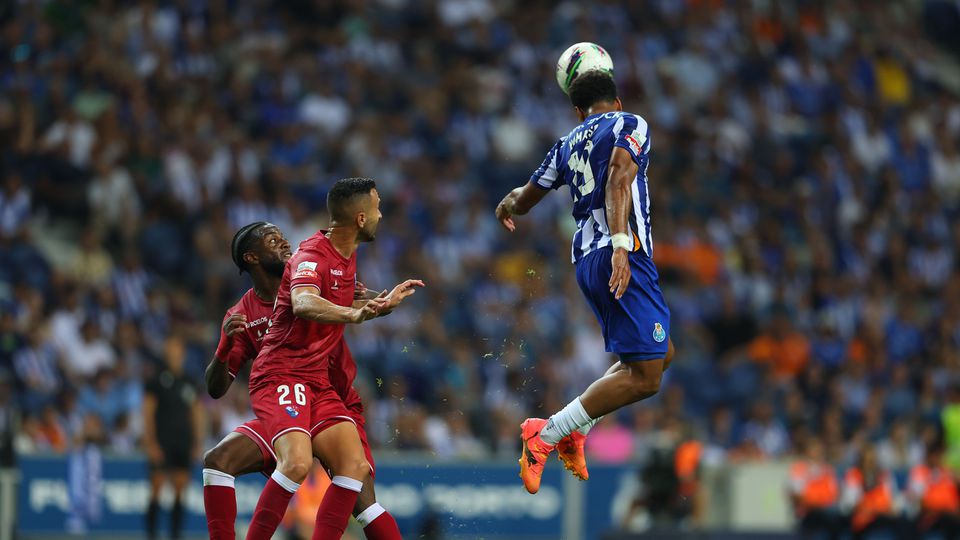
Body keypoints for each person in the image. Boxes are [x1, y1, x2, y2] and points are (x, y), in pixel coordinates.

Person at [495, 71, 674, 493]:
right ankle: (549, 432)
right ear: (616, 100)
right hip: (620, 254)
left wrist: (506, 203)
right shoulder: (630, 124)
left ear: (578, 111)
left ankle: (578, 427)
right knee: (647, 378)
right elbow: (617, 177)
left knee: (662, 352)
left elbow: (524, 198)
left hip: (585, 261)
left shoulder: (566, 143)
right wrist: (619, 244)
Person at [244, 177, 423, 540]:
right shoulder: (312, 255)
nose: (380, 214)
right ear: (360, 218)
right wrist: (354, 315)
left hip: (316, 382)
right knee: (295, 463)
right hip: (282, 374)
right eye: (376, 207)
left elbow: (342, 301)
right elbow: (304, 302)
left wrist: (378, 306)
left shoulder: (347, 254)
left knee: (354, 468)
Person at [201, 221, 405, 540]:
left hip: (330, 401)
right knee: (218, 460)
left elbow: (363, 300)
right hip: (291, 403)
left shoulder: (309, 280)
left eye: (283, 237)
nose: (284, 243)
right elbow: (216, 389)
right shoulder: (241, 314)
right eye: (273, 240)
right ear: (251, 257)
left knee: (364, 500)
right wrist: (224, 348)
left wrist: (376, 300)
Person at [143, 334, 204, 540]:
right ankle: (151, 535)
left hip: (183, 441)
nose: (173, 354)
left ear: (183, 353)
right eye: (170, 350)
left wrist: (197, 442)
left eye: (177, 350)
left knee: (180, 489)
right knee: (157, 488)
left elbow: (196, 413)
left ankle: (175, 535)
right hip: (162, 440)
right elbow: (148, 412)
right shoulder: (156, 381)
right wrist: (151, 443)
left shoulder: (189, 381)